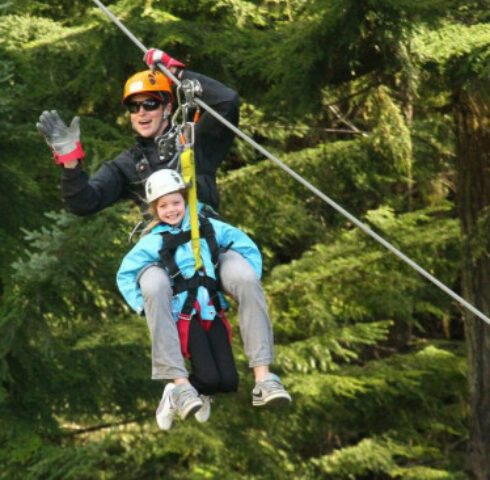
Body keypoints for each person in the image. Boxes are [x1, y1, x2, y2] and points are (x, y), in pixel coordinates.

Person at [36, 49, 291, 424]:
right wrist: (70, 162)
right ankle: (177, 382)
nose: (141, 113)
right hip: (162, 252)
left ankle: (264, 378)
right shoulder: (126, 165)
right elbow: (84, 202)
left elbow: (228, 101)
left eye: (150, 104)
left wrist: (176, 71)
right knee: (154, 287)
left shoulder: (196, 142)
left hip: (209, 243)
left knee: (245, 278)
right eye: (134, 107)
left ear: (167, 106)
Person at [118, 169, 256, 428]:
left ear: (186, 202)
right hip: (185, 315)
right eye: (164, 206)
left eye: (176, 203)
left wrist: (249, 282)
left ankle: (200, 393)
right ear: (155, 210)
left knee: (228, 381)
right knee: (208, 376)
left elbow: (245, 244)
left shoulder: (206, 227)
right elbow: (126, 273)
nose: (171, 210)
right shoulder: (154, 241)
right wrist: (141, 305)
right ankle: (174, 392)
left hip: (213, 311)